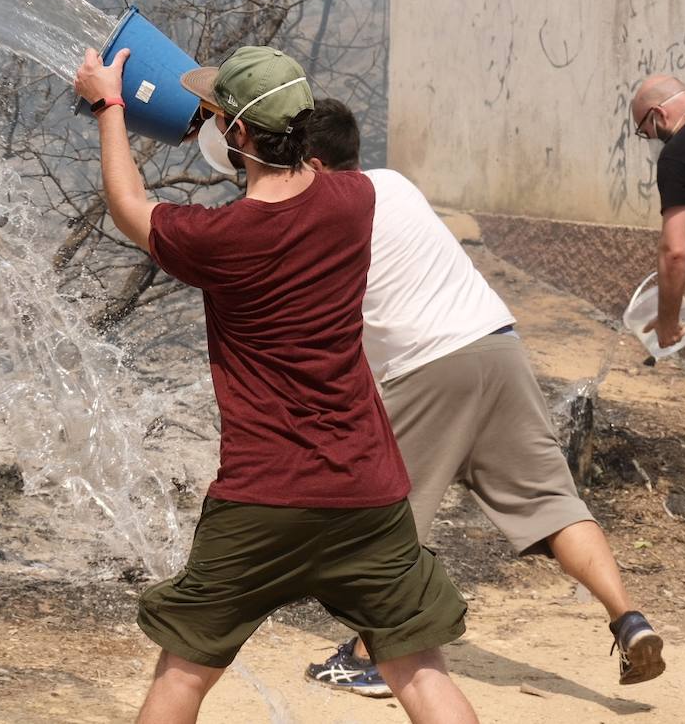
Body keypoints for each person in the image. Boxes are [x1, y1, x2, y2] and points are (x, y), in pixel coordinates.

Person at [73, 45, 478, 724]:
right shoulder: (358, 199)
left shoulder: (219, 237)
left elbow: (128, 204)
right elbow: (294, 172)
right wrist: (239, 120)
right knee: (417, 672)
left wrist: (112, 105)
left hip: (264, 496)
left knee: (182, 675)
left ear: (234, 134)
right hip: (366, 490)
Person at [298, 98, 665, 697]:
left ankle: (370, 657)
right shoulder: (394, 183)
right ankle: (630, 618)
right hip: (498, 346)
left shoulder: (326, 215)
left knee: (385, 520)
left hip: (429, 367)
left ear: (313, 163)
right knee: (552, 502)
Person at [630, 74, 685, 538]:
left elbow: (674, 251)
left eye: (646, 131)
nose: (651, 139)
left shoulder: (679, 152)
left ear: (659, 115)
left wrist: (666, 321)